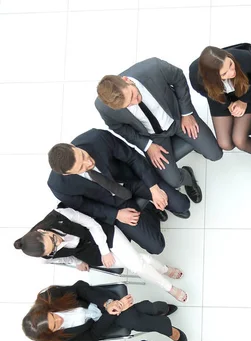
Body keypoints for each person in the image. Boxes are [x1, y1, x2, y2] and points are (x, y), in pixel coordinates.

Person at [95, 57, 222, 206]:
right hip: (153, 137)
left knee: (215, 154)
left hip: (178, 117)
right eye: (128, 105)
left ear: (126, 80)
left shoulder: (153, 67)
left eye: (133, 95)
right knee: (174, 181)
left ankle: (197, 143)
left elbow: (179, 79)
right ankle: (187, 176)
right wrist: (147, 145)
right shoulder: (103, 107)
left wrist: (186, 113)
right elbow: (119, 127)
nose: (135, 102)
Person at [47, 129, 186, 254]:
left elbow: (133, 158)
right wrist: (116, 214)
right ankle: (150, 210)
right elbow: (85, 206)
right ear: (67, 174)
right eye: (80, 168)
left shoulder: (97, 138)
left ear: (73, 147)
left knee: (182, 205)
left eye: (83, 156)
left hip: (132, 180)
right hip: (114, 205)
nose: (88, 163)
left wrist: (153, 187)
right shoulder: (58, 185)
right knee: (156, 247)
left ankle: (185, 174)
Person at [14, 207, 188, 302]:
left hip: (104, 235)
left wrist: (105, 250)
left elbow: (92, 224)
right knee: (141, 260)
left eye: (53, 238)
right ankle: (164, 269)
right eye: (53, 248)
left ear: (43, 230)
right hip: (90, 254)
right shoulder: (44, 257)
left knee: (137, 266)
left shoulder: (59, 215)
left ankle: (169, 288)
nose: (58, 243)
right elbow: (63, 258)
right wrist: (76, 262)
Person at [22, 280, 187, 341]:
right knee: (132, 318)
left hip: (99, 300)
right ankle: (159, 312)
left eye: (53, 316)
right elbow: (92, 337)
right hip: (102, 325)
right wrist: (113, 312)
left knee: (133, 318)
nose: (60, 319)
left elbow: (81, 288)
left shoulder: (51, 296)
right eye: (56, 325)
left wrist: (109, 303)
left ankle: (160, 315)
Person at [189, 46, 251, 177]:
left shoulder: (247, 60)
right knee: (225, 144)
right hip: (220, 98)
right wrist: (227, 103)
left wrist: (243, 101)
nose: (232, 72)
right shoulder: (196, 75)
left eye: (230, 64)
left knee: (240, 141)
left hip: (245, 91)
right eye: (224, 74)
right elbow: (206, 93)